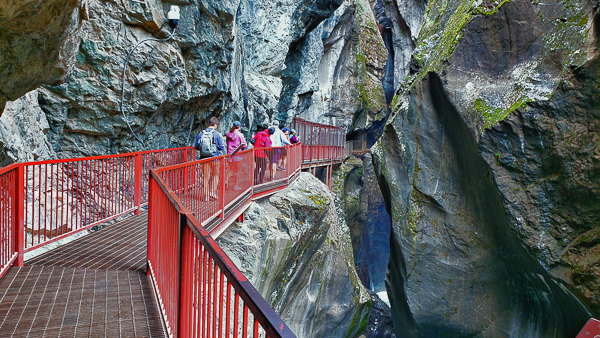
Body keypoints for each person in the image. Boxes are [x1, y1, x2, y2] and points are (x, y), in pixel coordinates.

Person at [195, 117, 225, 200]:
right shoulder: (217, 134)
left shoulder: (201, 133)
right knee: (215, 175)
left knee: (205, 176)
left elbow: (197, 146)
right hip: (214, 158)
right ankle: (212, 192)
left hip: (204, 158)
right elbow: (221, 147)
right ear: (215, 124)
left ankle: (206, 196)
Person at [226, 121, 247, 190]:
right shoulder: (240, 135)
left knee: (231, 169)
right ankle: (236, 185)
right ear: (239, 127)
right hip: (238, 155)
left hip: (230, 154)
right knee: (238, 170)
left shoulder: (228, 134)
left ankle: (225, 181)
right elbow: (244, 145)